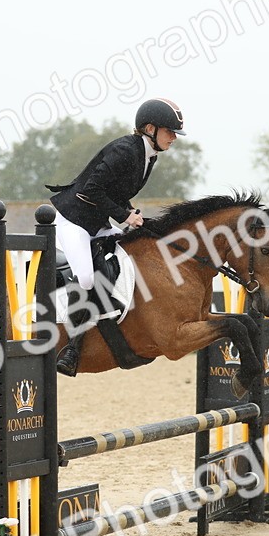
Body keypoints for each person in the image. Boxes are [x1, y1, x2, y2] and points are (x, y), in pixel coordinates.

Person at [45, 97, 186, 376]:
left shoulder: (148, 155)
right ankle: (72, 346)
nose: (174, 138)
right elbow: (91, 191)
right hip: (73, 220)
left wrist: (131, 213)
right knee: (86, 277)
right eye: (170, 131)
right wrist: (123, 216)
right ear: (150, 129)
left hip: (97, 222)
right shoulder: (125, 150)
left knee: (130, 256)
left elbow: (115, 194)